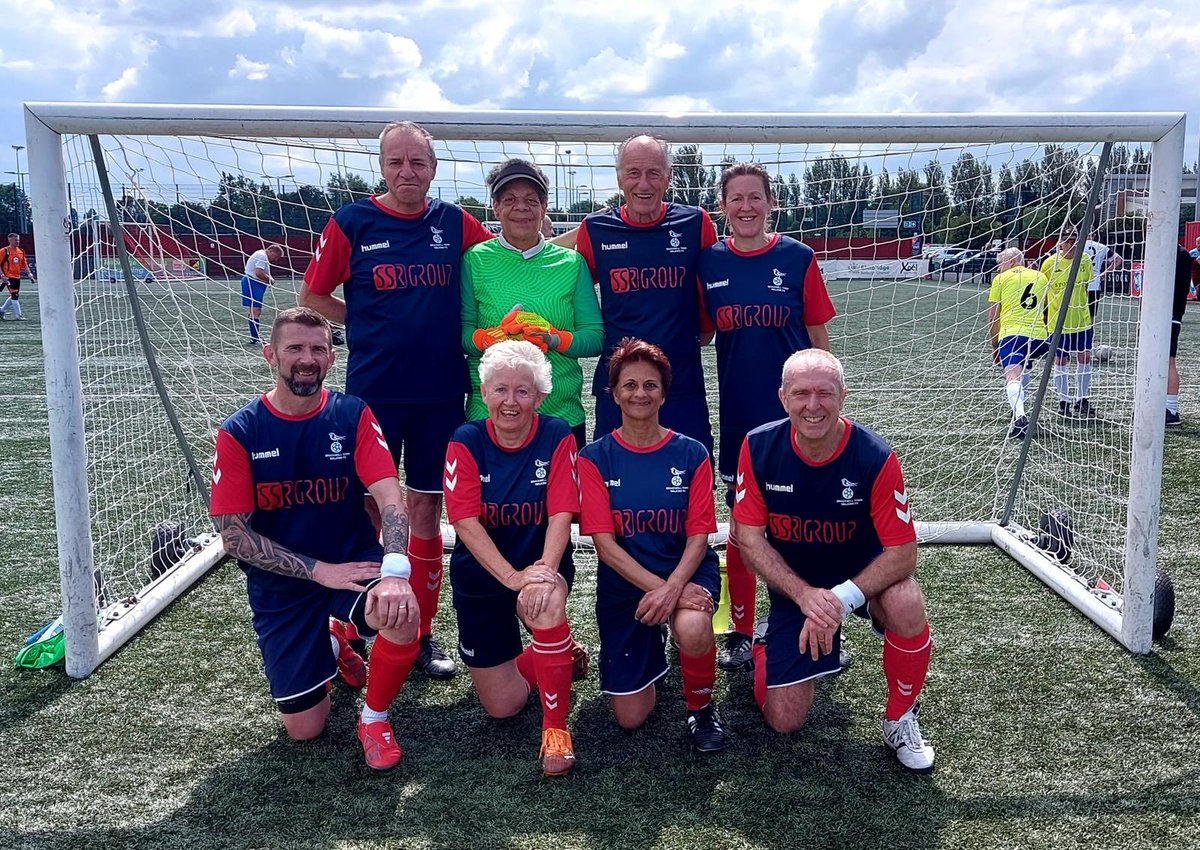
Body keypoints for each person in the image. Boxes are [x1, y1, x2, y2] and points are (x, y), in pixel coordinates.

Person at [300, 120, 496, 680]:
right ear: (381, 167)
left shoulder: (454, 223)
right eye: (396, 162)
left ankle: (423, 630)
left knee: (426, 512)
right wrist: (360, 322)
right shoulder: (352, 221)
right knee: (368, 510)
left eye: (418, 163)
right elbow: (312, 295)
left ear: (434, 169)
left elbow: (503, 259)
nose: (407, 172)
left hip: (439, 393)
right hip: (372, 393)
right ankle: (362, 625)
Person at [209, 307, 422, 770]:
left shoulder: (353, 414)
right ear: (271, 355)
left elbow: (389, 497)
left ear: (330, 358)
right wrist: (319, 572)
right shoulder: (239, 432)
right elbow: (233, 536)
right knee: (305, 730)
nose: (307, 359)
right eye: (295, 349)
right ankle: (334, 641)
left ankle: (374, 717)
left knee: (402, 611)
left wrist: (395, 571)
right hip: (282, 586)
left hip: (351, 562)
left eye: (318, 349)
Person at [733, 349, 934, 773]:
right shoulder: (757, 446)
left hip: (860, 579)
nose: (813, 405)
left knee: (905, 601)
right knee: (784, 721)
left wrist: (838, 601)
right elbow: (748, 539)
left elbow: (903, 553)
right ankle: (769, 645)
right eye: (801, 393)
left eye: (825, 393)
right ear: (783, 396)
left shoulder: (875, 456)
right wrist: (806, 597)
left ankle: (900, 718)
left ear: (843, 395)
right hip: (796, 585)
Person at [698, 162, 836, 671]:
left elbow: (819, 338)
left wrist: (827, 400)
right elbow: (705, 332)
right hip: (739, 416)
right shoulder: (709, 263)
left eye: (755, 197)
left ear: (770, 203)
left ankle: (805, 613)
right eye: (736, 198)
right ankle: (737, 628)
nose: (746, 207)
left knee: (802, 520)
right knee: (740, 527)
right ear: (724, 206)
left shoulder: (798, 257)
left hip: (799, 418)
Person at [578, 338, 726, 752]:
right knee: (630, 719)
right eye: (629, 385)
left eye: (650, 385)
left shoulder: (692, 453)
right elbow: (605, 547)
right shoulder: (594, 458)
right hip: (626, 579)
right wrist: (658, 591)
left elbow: (700, 537)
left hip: (686, 569)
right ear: (614, 392)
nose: (640, 393)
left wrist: (672, 589)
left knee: (695, 626)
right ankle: (655, 645)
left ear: (664, 391)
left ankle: (701, 708)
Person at [444, 340, 584, 777]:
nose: (511, 401)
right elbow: (465, 522)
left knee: (544, 600)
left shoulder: (558, 433)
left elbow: (562, 512)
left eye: (523, 391)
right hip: (485, 577)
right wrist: (511, 577)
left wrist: (541, 573)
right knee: (503, 707)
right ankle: (557, 654)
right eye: (500, 389)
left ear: (540, 397)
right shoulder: (464, 441)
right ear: (483, 394)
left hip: (540, 563)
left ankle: (556, 729)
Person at [575, 134, 718, 453]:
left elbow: (711, 295)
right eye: (633, 172)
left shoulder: (696, 223)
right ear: (619, 177)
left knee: (692, 483)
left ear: (668, 177)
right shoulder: (595, 229)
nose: (644, 183)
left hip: (681, 385)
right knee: (611, 486)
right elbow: (572, 293)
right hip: (618, 389)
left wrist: (701, 331)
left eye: (654, 172)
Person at [461, 159, 603, 449]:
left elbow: (595, 338)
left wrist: (552, 337)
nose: (521, 207)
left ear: (544, 207)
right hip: (490, 415)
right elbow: (462, 335)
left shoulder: (572, 263)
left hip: (559, 413)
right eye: (510, 200)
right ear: (495, 207)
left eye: (531, 200)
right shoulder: (475, 259)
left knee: (562, 496)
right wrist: (493, 338)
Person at [987, 247, 1051, 440]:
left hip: (1012, 335)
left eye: (1001, 264)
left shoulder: (1000, 279)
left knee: (1012, 375)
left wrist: (994, 345)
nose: (999, 269)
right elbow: (1047, 309)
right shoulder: (1041, 277)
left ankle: (1020, 417)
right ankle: (1021, 404)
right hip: (1040, 337)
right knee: (1025, 367)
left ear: (1013, 262)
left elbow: (993, 316)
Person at [1041, 227, 1096, 417]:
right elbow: (1043, 293)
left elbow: (1087, 286)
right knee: (1060, 360)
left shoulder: (1085, 260)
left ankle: (1082, 399)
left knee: (1085, 357)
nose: (1072, 244)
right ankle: (1063, 401)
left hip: (1082, 320)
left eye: (1075, 240)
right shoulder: (1049, 264)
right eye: (1068, 241)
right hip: (1058, 323)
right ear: (1061, 243)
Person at [1167, 244, 1200, 426]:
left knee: (1168, 361)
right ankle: (1164, 406)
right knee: (1164, 361)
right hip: (1170, 314)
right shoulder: (1185, 255)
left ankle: (1171, 409)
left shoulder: (1176, 254)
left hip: (1167, 315)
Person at [240, 243, 284, 345]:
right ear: (270, 251)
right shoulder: (262, 256)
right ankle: (255, 337)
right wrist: (270, 280)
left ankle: (254, 336)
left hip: (253, 283)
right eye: (275, 256)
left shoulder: (260, 254)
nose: (275, 260)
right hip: (252, 282)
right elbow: (258, 272)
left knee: (254, 310)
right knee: (256, 310)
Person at [1081, 232, 1123, 323]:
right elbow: (1118, 260)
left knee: (1076, 315)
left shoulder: (1077, 246)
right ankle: (1089, 336)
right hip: (1094, 284)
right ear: (1094, 235)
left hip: (1079, 284)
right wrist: (1104, 273)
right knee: (1091, 317)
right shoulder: (1101, 247)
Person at [0, 233, 32, 321]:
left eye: (18, 240)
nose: (17, 241)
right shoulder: (4, 251)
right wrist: (2, 275)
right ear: (9, 240)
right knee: (15, 295)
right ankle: (19, 316)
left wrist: (29, 274)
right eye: (15, 240)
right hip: (8, 277)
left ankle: (2, 310)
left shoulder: (21, 251)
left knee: (15, 295)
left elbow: (24, 264)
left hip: (17, 277)